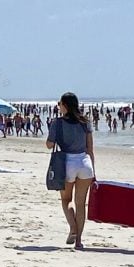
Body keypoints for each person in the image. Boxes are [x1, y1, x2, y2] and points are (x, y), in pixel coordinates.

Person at [45, 92, 95, 251]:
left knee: (66, 200)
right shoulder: (85, 122)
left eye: (59, 104)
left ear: (65, 105)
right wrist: (94, 170)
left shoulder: (57, 123)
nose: (58, 106)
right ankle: (78, 241)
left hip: (67, 163)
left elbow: (49, 144)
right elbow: (90, 149)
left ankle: (73, 227)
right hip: (85, 163)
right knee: (81, 204)